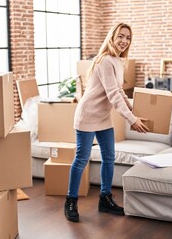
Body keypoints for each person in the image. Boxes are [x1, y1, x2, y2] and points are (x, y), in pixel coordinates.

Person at [64, 23, 149, 223]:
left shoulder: (118, 61)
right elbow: (113, 95)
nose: (124, 41)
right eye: (121, 36)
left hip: (103, 117)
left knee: (109, 157)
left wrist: (133, 111)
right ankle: (70, 201)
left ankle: (105, 198)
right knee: (82, 159)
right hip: (87, 115)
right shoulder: (104, 61)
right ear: (112, 37)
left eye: (128, 38)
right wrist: (131, 119)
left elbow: (119, 90)